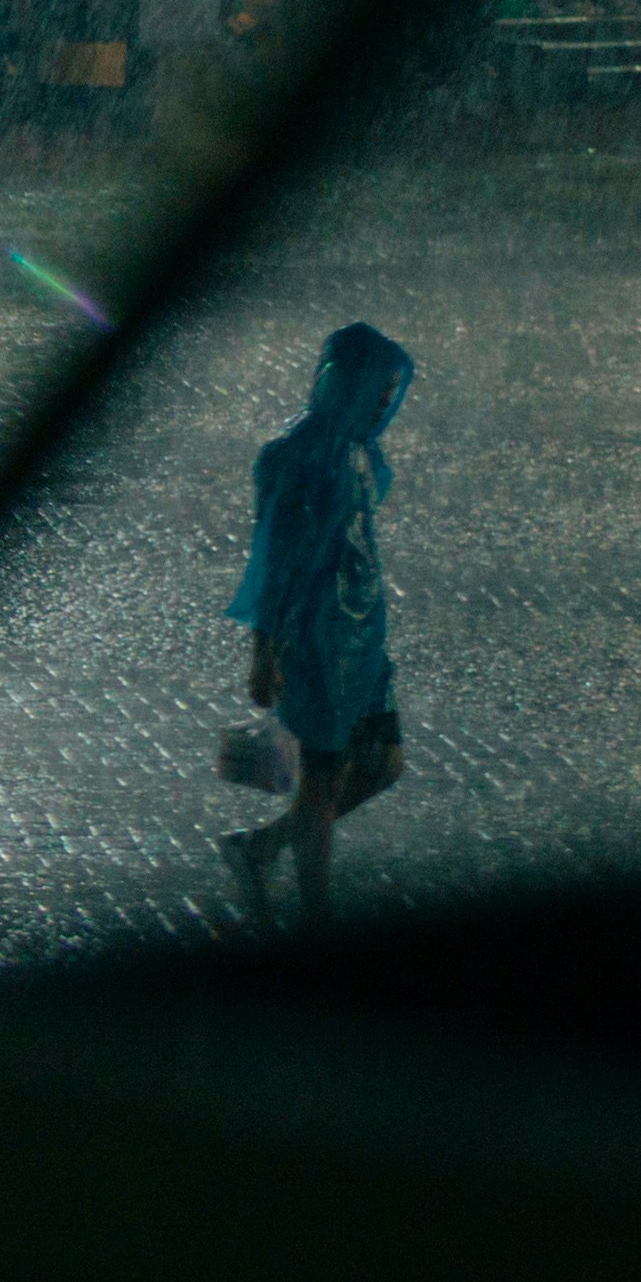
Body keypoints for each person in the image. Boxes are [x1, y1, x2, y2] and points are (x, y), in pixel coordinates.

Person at [220, 322, 415, 923]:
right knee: (323, 782)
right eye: (377, 388)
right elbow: (273, 559)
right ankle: (315, 914)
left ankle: (263, 847)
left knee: (382, 765)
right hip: (317, 641)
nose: (387, 401)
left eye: (391, 390)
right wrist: (264, 649)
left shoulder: (356, 449)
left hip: (361, 639)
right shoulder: (297, 456)